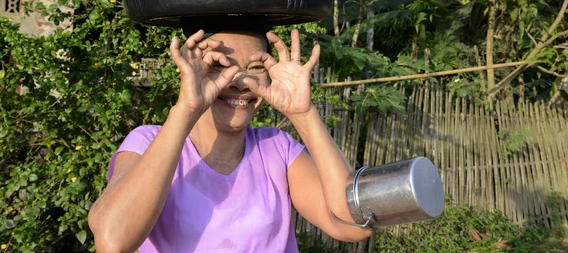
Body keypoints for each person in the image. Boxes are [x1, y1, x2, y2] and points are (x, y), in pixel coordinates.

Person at [88, 28, 372, 253]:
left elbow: (354, 226)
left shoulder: (277, 149)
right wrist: (187, 108)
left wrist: (304, 114)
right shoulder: (148, 143)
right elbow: (113, 242)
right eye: (222, 65)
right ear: (191, 68)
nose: (240, 81)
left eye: (255, 67)